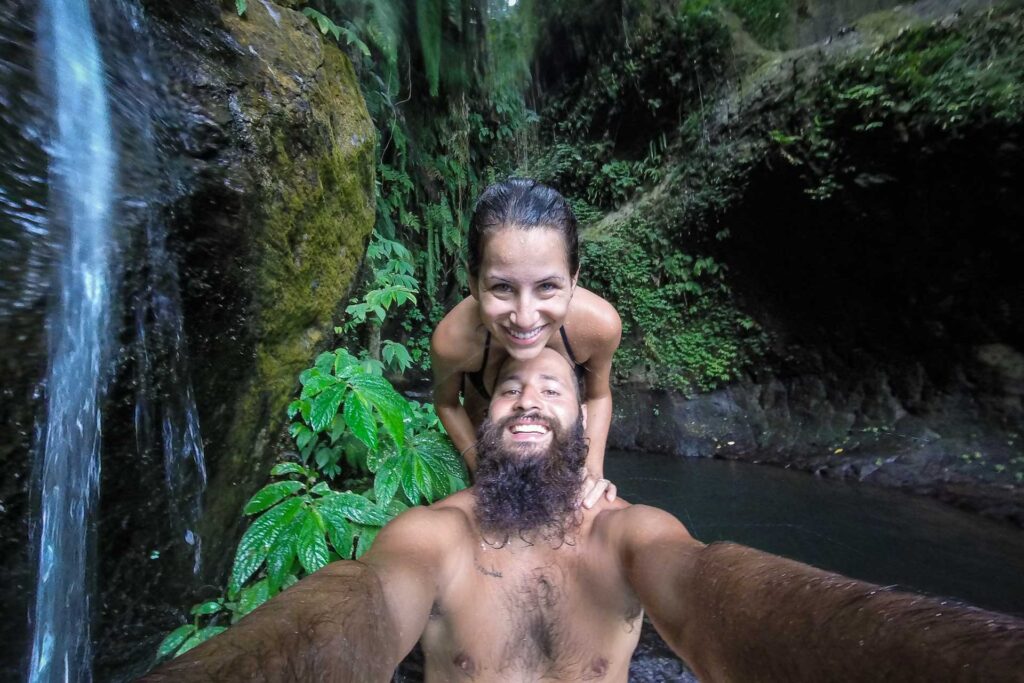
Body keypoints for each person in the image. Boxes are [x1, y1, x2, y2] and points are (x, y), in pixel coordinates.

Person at [141, 349, 1024, 682]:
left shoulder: (624, 534)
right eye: (510, 389)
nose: (527, 399)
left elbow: (715, 595)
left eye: (552, 389)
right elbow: (362, 612)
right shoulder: (433, 535)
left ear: (585, 424)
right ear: (478, 423)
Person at [431, 178, 621, 506]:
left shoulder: (598, 327)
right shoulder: (454, 342)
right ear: (473, 283)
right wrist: (481, 469)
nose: (525, 317)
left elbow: (599, 394)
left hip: (559, 455)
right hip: (490, 453)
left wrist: (591, 470)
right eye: (503, 287)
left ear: (573, 278)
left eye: (547, 286)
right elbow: (447, 403)